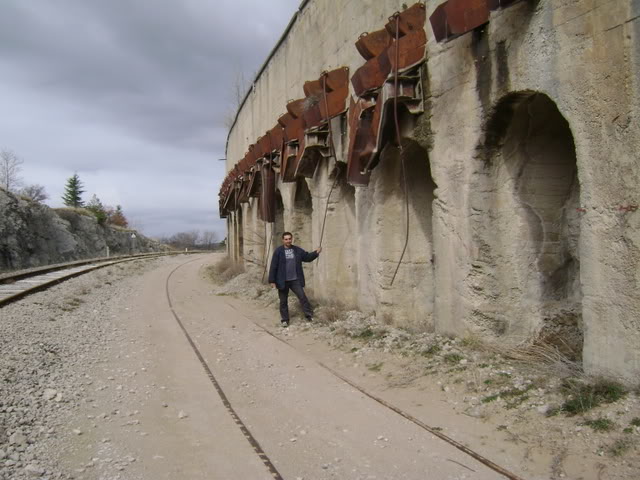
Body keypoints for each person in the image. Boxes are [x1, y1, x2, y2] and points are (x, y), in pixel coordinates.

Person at [268, 232, 322, 327]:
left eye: (289, 239)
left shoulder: (297, 250)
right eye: (286, 239)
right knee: (283, 301)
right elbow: (273, 266)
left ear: (291, 239)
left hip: (295, 280)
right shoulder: (278, 251)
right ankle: (285, 320)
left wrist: (316, 253)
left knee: (303, 297)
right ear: (283, 240)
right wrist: (272, 281)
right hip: (282, 281)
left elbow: (307, 257)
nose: (288, 241)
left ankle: (309, 316)